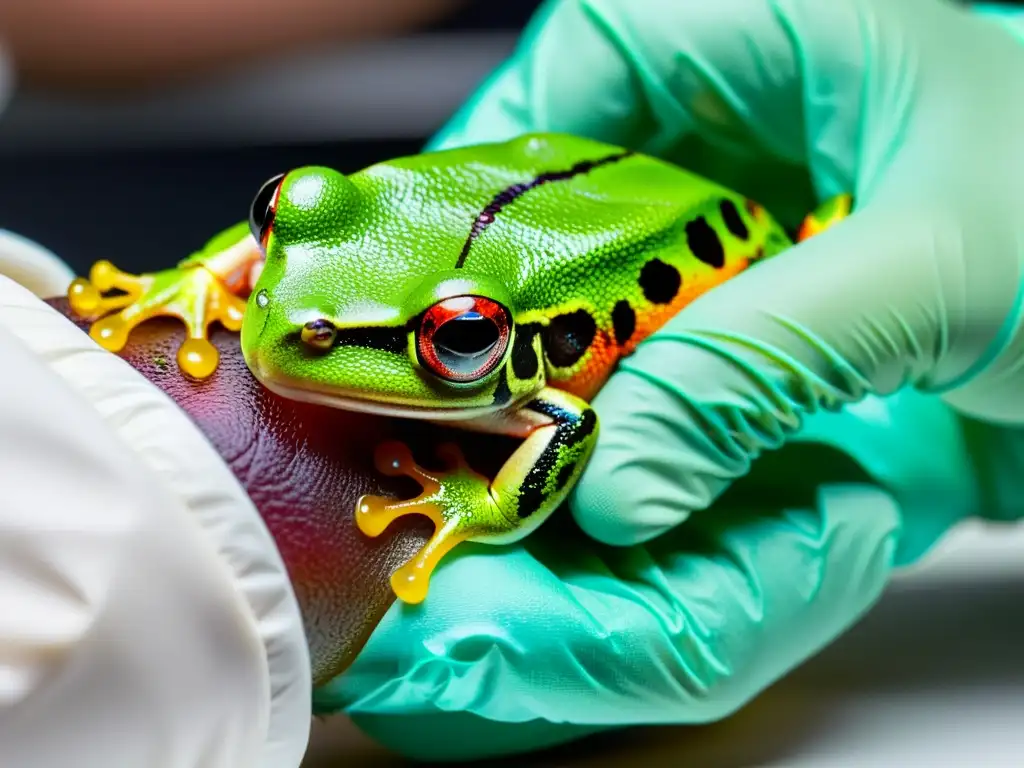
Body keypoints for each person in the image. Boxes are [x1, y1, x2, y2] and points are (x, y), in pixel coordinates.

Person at [1, 0, 1023, 764]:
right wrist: (195, 284)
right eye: (277, 223)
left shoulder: (535, 376)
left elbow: (568, 425)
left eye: (457, 341)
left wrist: (469, 503)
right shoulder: (307, 293)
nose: (292, 323)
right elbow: (294, 264)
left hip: (677, 246)